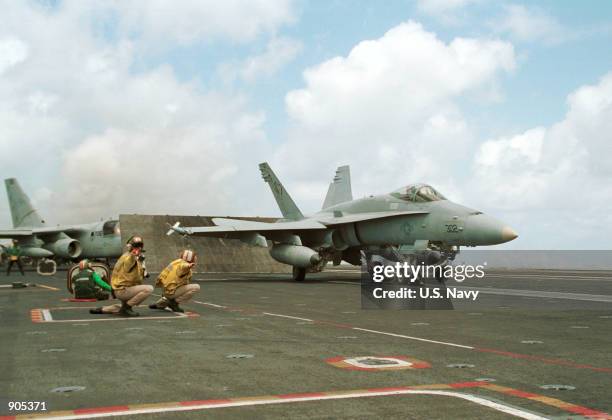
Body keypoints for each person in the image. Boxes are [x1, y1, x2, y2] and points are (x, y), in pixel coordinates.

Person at [90, 236, 152, 317]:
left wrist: (141, 264)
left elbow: (138, 274)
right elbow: (129, 265)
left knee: (120, 307)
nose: (138, 248)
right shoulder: (129, 257)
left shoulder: (126, 256)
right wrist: (134, 257)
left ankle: (102, 309)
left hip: (118, 289)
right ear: (131, 247)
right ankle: (127, 308)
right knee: (149, 289)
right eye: (136, 246)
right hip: (122, 290)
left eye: (139, 246)